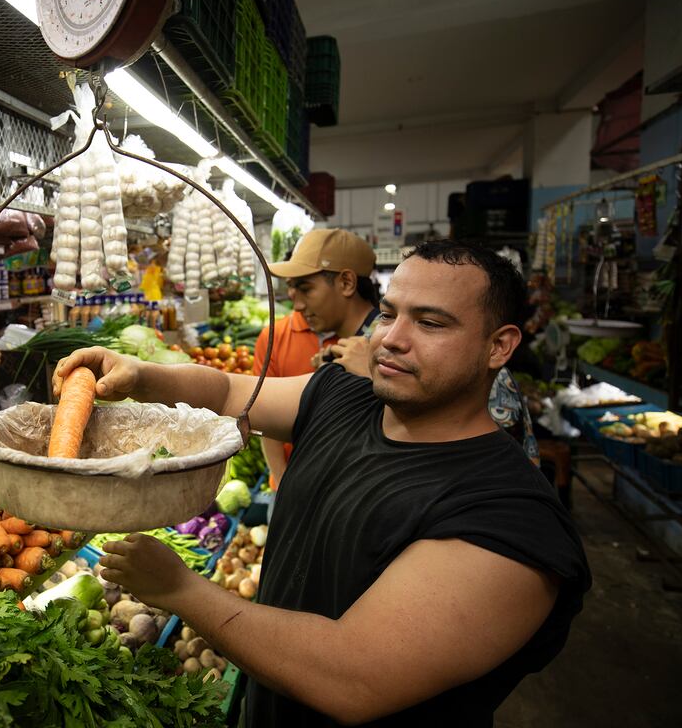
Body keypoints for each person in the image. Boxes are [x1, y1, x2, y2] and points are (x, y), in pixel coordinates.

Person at [55, 240, 590, 726]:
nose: (391, 340)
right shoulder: (346, 396)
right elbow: (223, 392)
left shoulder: (508, 518)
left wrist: (180, 590)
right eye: (388, 314)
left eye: (430, 323)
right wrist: (142, 375)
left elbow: (353, 676)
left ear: (499, 346)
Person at [253, 229, 381, 486]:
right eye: (292, 291)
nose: (297, 306)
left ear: (346, 283)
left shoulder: (386, 345)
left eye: (306, 289)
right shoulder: (340, 347)